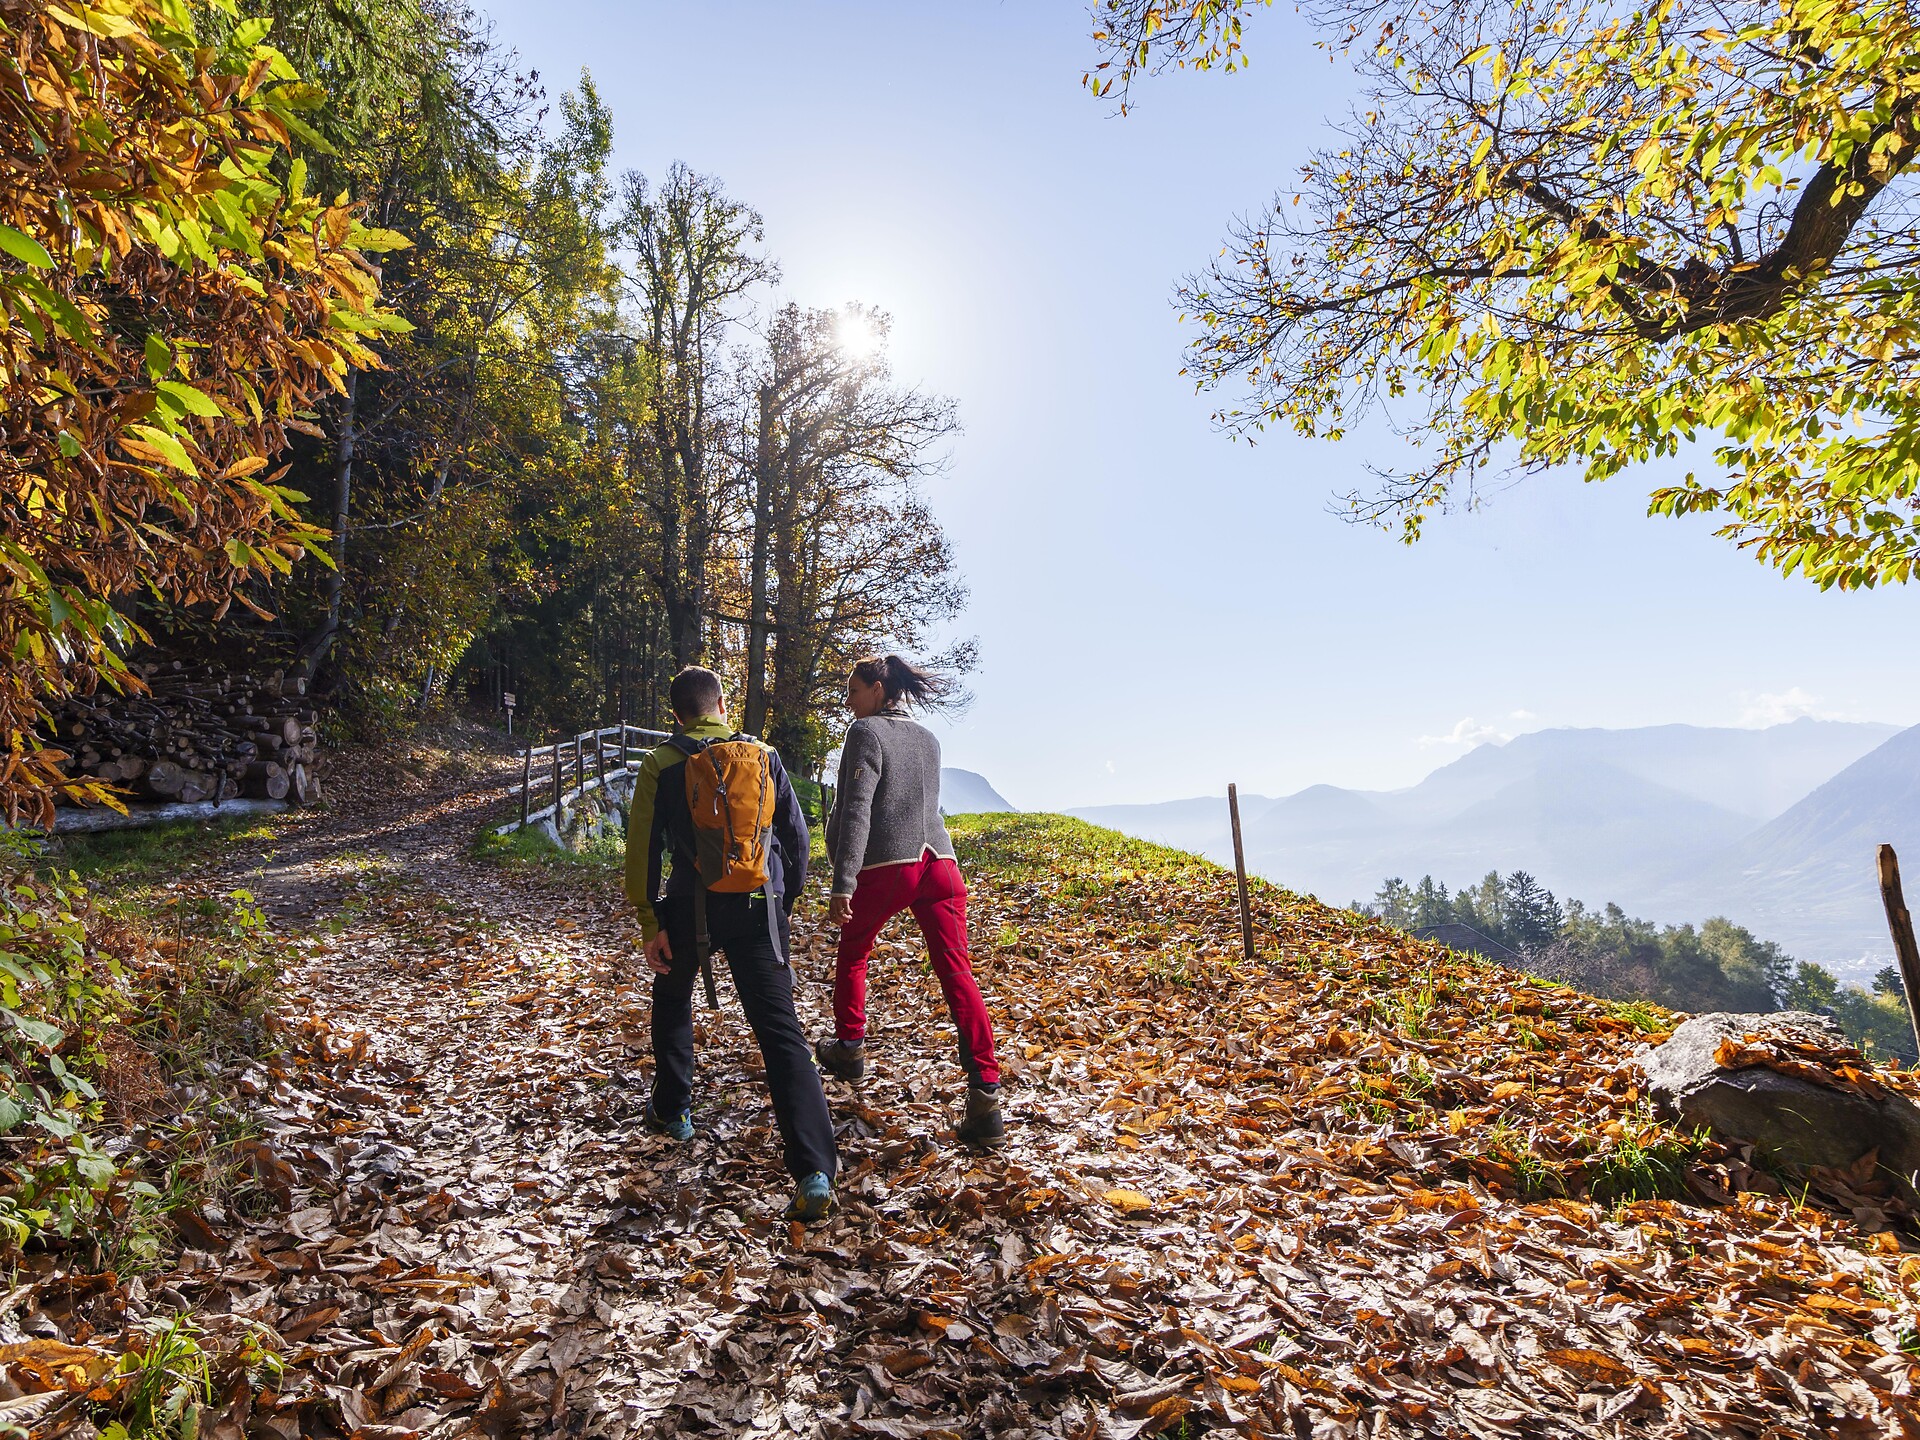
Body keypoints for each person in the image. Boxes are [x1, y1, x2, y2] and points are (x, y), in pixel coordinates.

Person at [623, 665, 838, 1221]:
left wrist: (649, 921)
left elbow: (643, 850)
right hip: (758, 905)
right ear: (722, 705)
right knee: (781, 1031)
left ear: (677, 715)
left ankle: (674, 1110)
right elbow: (796, 839)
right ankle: (814, 1169)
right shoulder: (763, 755)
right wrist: (782, 905)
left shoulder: (661, 762)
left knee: (673, 997)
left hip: (689, 906)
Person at [816, 654, 1005, 1149]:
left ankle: (849, 1047)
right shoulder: (928, 737)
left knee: (853, 951)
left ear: (878, 689)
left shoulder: (866, 732)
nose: (849, 701)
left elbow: (857, 810)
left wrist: (843, 883)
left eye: (854, 690)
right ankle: (986, 1097)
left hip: (890, 864)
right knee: (957, 972)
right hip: (941, 864)